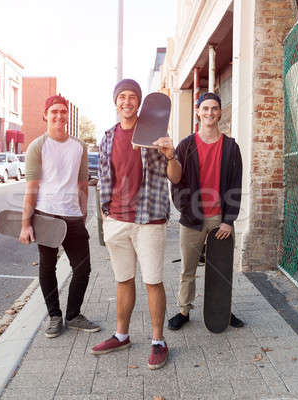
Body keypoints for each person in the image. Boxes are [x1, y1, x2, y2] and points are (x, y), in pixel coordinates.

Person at [90, 79, 172, 370]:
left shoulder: (153, 134)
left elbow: (174, 176)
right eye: (122, 96)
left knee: (152, 281)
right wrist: (105, 213)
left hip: (149, 219)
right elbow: (102, 176)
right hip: (117, 220)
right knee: (123, 279)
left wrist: (170, 153)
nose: (127, 101)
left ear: (139, 102)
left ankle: (158, 341)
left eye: (132, 97)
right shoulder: (109, 136)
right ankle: (121, 335)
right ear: (116, 101)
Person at [154, 92, 245, 331]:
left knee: (222, 269)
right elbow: (174, 178)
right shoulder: (186, 145)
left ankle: (222, 310)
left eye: (214, 108)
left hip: (219, 219)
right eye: (205, 108)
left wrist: (229, 221)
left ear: (220, 112)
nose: (210, 113)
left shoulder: (230, 147)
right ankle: (184, 310)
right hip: (192, 217)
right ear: (198, 112)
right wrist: (171, 157)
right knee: (188, 269)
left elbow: (236, 184)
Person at [19, 95, 100, 338]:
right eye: (54, 111)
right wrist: (26, 224)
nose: (59, 116)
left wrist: (84, 213)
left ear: (67, 116)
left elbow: (83, 184)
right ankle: (54, 316)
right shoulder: (38, 146)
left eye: (63, 111)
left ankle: (73, 315)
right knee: (47, 267)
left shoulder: (79, 146)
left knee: (83, 268)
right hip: (47, 216)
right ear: (45, 114)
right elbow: (31, 188)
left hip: (73, 215)